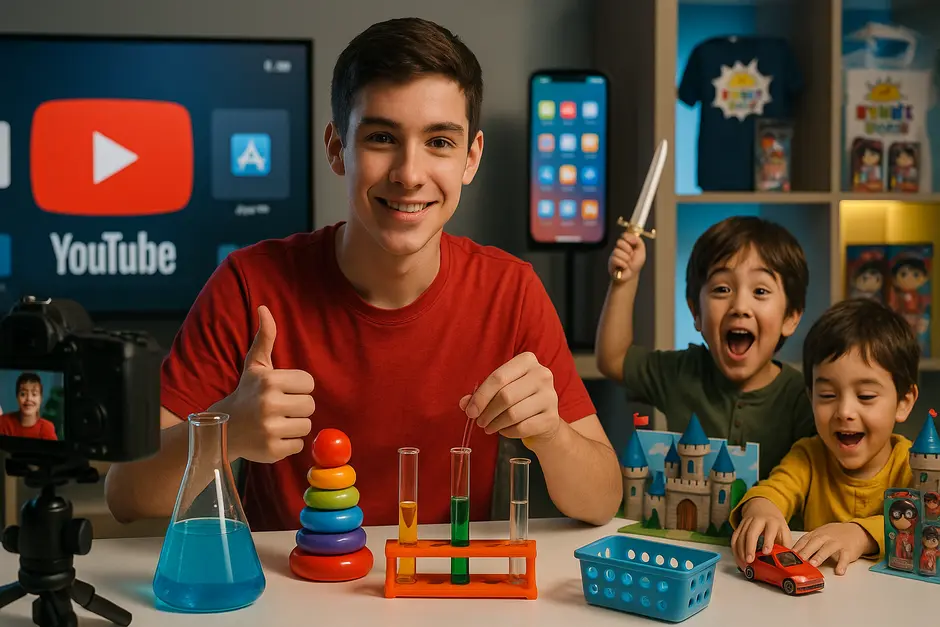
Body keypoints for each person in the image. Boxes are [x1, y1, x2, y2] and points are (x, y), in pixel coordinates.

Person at [104, 17, 622, 531]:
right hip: (289, 595)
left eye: (439, 142)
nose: (410, 174)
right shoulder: (249, 282)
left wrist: (552, 433)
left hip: (444, 589)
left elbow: (602, 500)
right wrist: (227, 433)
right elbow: (126, 493)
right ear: (337, 148)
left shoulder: (510, 290)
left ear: (471, 157)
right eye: (381, 137)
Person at [595, 215, 815, 480]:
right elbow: (613, 359)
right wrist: (624, 281)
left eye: (760, 291)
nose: (740, 307)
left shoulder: (805, 400)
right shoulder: (681, 373)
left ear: (790, 317)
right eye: (722, 289)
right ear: (695, 312)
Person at [729, 298, 918, 575]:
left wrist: (861, 534)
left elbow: (929, 525)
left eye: (865, 396)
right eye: (827, 395)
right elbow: (773, 489)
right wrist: (761, 509)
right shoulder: (808, 456)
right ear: (811, 397)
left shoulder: (916, 465)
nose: (844, 411)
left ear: (903, 402)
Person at [0, 372, 58, 440]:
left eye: (34, 394)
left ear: (41, 399)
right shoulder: (3, 422)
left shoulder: (47, 428)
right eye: (23, 394)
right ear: (17, 398)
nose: (29, 399)